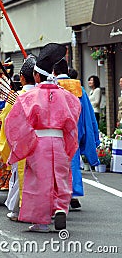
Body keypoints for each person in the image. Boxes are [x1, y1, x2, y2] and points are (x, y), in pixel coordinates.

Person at [5, 43, 81, 232]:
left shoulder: (28, 97)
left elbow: (14, 123)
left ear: (36, 76)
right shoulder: (66, 96)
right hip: (59, 141)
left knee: (38, 181)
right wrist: (68, 143)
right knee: (60, 178)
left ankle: (41, 222)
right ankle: (61, 209)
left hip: (39, 142)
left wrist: (22, 146)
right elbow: (72, 122)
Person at [54, 59, 100, 210]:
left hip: (55, 132)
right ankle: (72, 194)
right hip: (74, 131)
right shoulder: (79, 89)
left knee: (54, 165)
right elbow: (88, 115)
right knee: (72, 162)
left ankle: (58, 196)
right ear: (67, 71)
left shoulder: (51, 87)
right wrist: (92, 135)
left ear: (53, 72)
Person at [0, 55, 36, 221]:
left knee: (18, 176)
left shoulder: (17, 97)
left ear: (21, 78)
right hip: (43, 142)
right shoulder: (44, 94)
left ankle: (16, 210)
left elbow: (6, 119)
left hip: (21, 143)